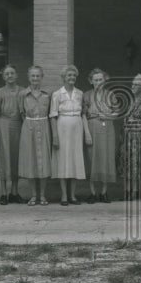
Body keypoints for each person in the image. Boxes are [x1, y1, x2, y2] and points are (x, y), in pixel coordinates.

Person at [50, 65, 92, 206]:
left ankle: (72, 195)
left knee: (74, 158)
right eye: (69, 75)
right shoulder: (57, 94)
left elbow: (83, 114)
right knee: (63, 159)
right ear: (63, 77)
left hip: (77, 127)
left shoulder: (80, 93)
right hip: (62, 126)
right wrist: (55, 135)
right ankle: (63, 195)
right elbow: (53, 115)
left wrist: (86, 133)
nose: (72, 78)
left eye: (74, 75)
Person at [18, 66, 52, 206]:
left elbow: (51, 113)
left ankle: (42, 195)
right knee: (31, 160)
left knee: (43, 160)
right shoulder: (22, 94)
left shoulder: (47, 94)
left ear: (42, 77)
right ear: (28, 77)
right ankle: (33, 195)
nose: (35, 79)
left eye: (38, 76)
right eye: (33, 76)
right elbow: (21, 113)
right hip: (29, 128)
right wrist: (28, 126)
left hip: (44, 127)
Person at [0, 65, 24, 205]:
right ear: (3, 76)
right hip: (4, 125)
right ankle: (4, 193)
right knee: (4, 157)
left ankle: (14, 192)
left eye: (12, 73)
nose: (10, 76)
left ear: (16, 75)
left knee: (16, 157)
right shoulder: (0, 92)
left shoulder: (22, 91)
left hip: (18, 125)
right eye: (7, 74)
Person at [84, 68, 118, 204]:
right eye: (96, 80)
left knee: (106, 158)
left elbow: (117, 113)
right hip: (92, 128)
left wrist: (108, 115)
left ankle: (104, 192)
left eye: (101, 80)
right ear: (91, 81)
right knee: (92, 158)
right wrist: (86, 133)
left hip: (107, 129)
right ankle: (92, 193)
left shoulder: (110, 95)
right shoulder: (86, 95)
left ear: (105, 80)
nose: (98, 82)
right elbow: (83, 115)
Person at [121, 73, 141, 201]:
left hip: (138, 133)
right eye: (132, 84)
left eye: (136, 84)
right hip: (127, 133)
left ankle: (136, 192)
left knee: (137, 163)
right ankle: (128, 192)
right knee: (127, 162)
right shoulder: (132, 99)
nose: (132, 86)